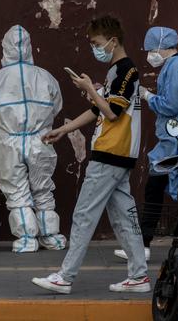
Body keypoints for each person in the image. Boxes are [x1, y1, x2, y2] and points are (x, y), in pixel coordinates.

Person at [31, 15, 150, 294]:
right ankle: (139, 276)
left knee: (84, 214)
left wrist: (89, 90)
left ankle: (66, 276)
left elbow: (111, 111)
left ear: (113, 41)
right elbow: (98, 109)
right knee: (123, 217)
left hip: (110, 153)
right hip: (118, 156)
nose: (95, 48)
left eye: (97, 43)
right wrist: (64, 129)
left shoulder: (125, 71)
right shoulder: (116, 72)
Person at [114, 26, 178, 264]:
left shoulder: (177, 67)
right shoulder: (176, 66)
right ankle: (142, 245)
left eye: (151, 50)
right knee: (156, 188)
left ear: (163, 47)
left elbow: (171, 105)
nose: (149, 55)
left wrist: (147, 96)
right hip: (173, 139)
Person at [0, 25, 67, 253]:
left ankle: (27, 238)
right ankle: (51, 236)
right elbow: (56, 106)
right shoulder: (46, 77)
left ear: (5, 48)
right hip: (41, 140)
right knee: (42, 188)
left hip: (10, 142)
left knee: (16, 190)